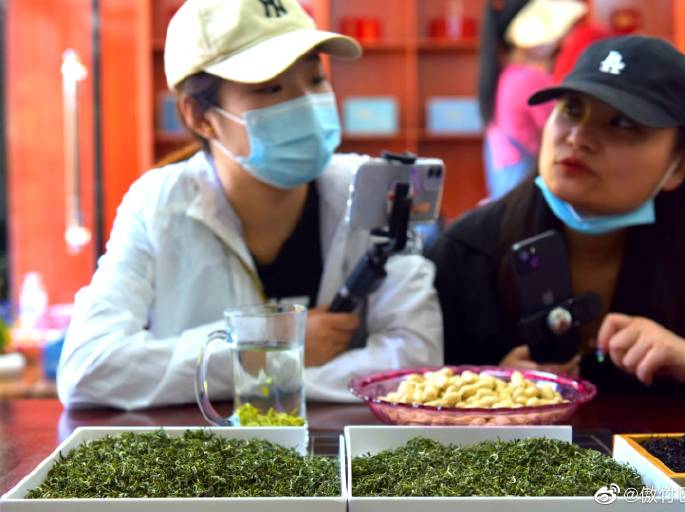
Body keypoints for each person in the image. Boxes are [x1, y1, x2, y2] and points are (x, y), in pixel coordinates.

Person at [57, 0, 443, 410]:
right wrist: (267, 348)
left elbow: (415, 361)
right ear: (200, 117)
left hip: (340, 446)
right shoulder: (158, 204)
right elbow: (88, 368)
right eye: (270, 88)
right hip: (208, 448)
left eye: (316, 79)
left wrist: (271, 372)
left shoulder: (373, 191)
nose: (307, 104)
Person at [432, 35, 685, 392]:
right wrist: (484, 390)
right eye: (571, 110)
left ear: (679, 167)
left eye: (622, 123)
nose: (578, 137)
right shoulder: (466, 253)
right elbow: (410, 393)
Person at [479, 0, 587, 199]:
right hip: (524, 188)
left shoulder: (507, 77)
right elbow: (565, 134)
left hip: (505, 186)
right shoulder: (531, 79)